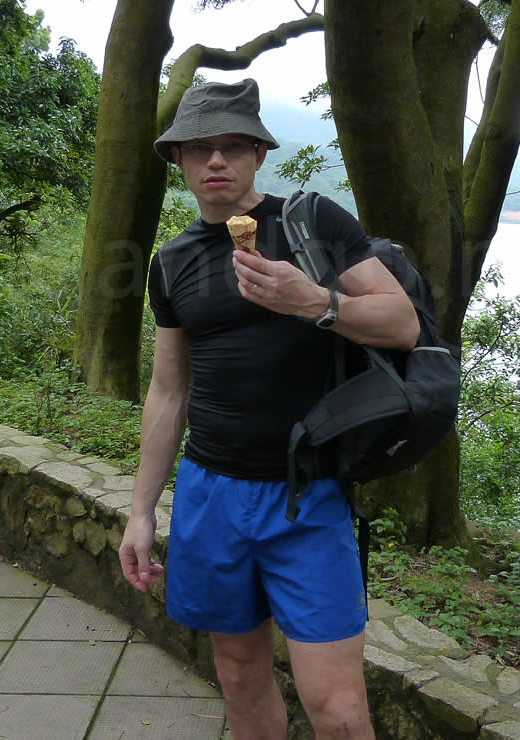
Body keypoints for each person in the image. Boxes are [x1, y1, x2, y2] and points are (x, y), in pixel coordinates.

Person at [119, 78, 419, 740]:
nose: (216, 161)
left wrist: (313, 301)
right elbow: (169, 391)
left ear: (258, 153)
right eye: (199, 149)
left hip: (306, 497)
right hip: (209, 495)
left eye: (232, 146)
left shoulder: (313, 225)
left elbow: (402, 324)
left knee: (338, 709)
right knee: (236, 674)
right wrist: (141, 513)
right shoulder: (171, 263)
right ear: (179, 162)